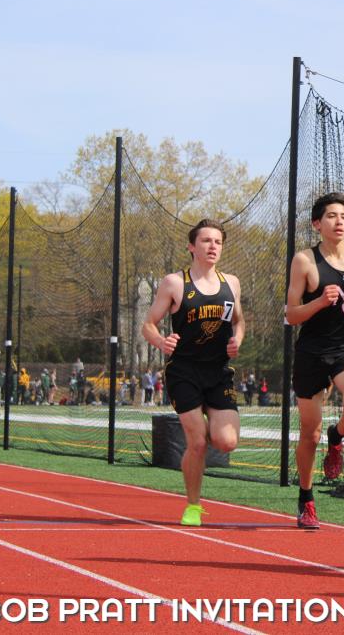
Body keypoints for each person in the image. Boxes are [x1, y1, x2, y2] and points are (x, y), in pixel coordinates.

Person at [286, 192, 344, 530]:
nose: (339, 222)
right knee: (309, 434)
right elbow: (291, 314)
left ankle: (336, 435)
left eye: (343, 217)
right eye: (331, 216)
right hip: (312, 351)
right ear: (317, 224)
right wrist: (318, 303)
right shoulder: (305, 261)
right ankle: (306, 499)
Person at [142, 218, 244, 526]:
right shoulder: (175, 283)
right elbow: (148, 324)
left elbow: (239, 321)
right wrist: (161, 341)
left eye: (218, 242)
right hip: (184, 371)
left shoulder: (231, 283)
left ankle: (207, 431)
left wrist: (237, 340)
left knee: (226, 442)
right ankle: (193, 505)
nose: (213, 246)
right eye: (206, 241)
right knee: (197, 442)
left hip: (218, 371)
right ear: (191, 246)